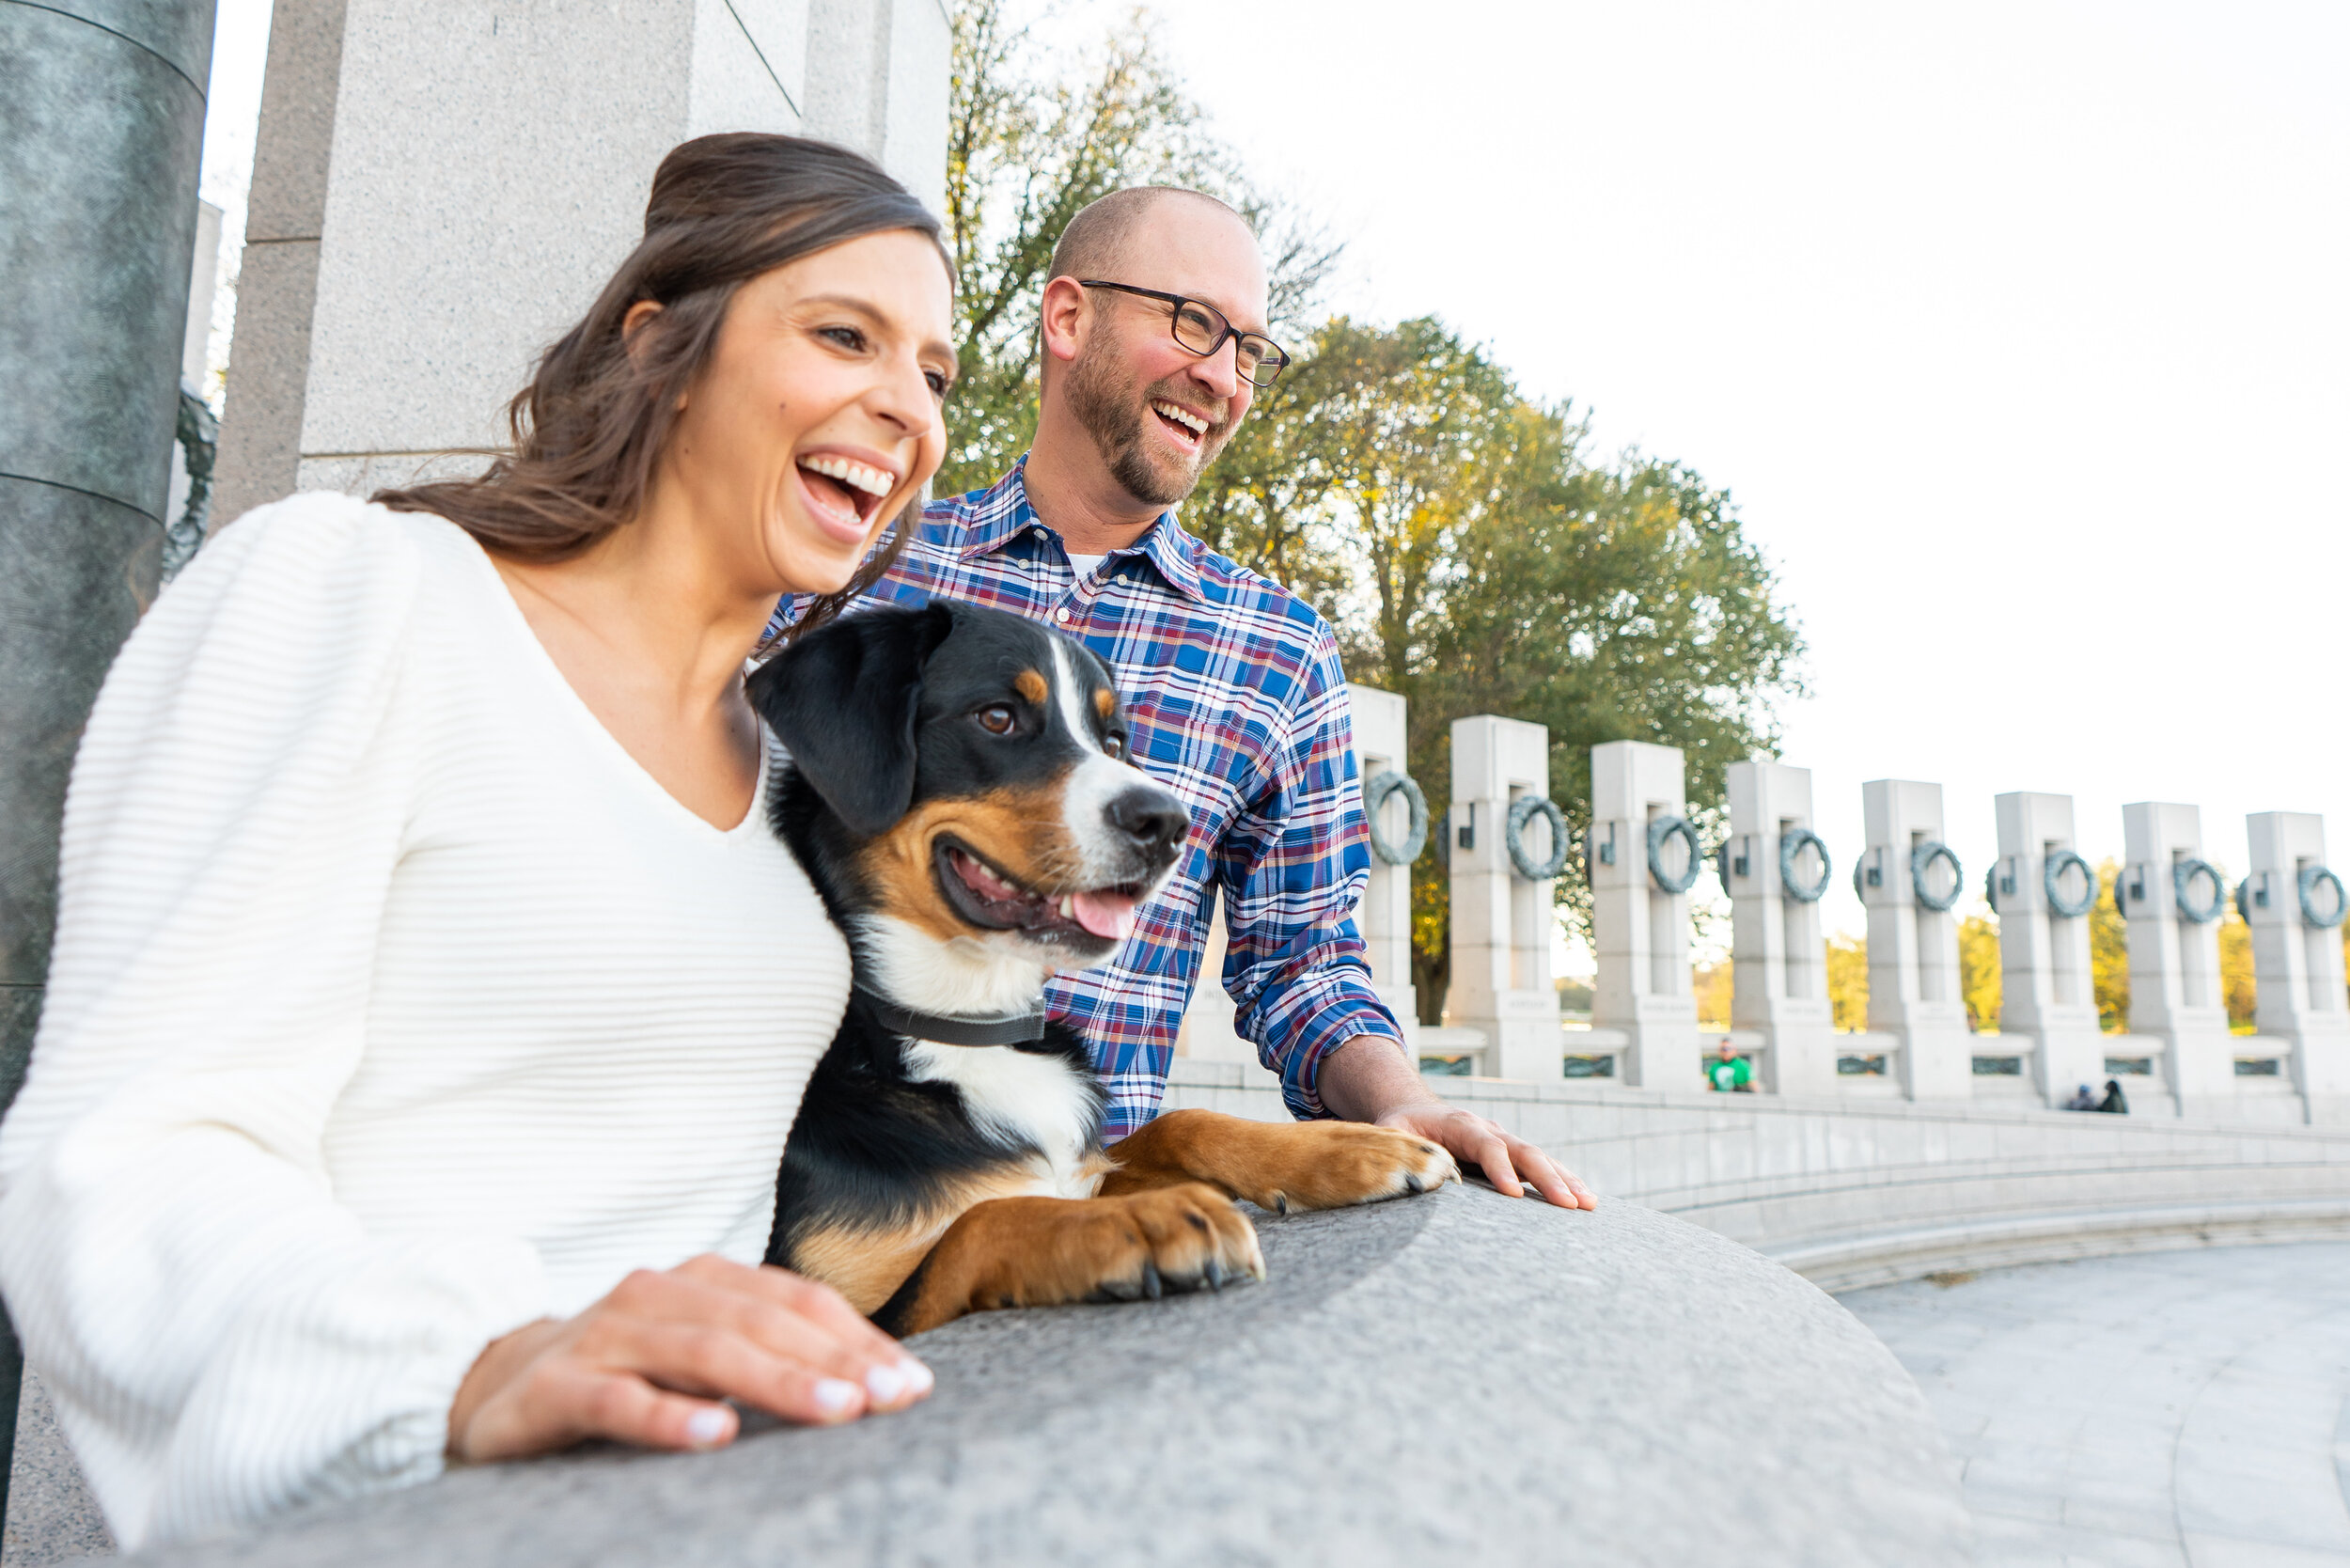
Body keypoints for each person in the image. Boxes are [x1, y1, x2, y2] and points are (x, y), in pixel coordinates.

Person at [0, 134, 953, 1550]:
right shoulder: (355, 596)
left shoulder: (797, 786)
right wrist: (469, 1361)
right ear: (662, 349)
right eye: (844, 336)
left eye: (935, 374)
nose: (906, 409)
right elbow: (126, 1155)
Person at [800, 187, 1596, 1209]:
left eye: (1250, 351)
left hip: (1077, 1227)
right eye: (1193, 322)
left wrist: (1398, 1102)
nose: (1221, 377)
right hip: (807, 1191)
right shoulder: (864, 560)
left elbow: (1303, 962)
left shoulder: (1282, 654)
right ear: (1068, 318)